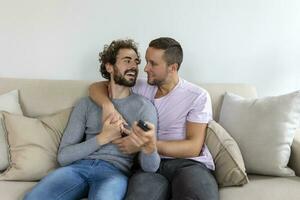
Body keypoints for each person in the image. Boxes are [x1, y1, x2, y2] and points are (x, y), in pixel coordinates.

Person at [24, 39, 160, 200]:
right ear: (109, 66)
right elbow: (64, 156)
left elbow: (151, 168)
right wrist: (103, 138)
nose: (134, 66)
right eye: (127, 61)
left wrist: (149, 146)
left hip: (114, 173)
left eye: (136, 62)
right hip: (76, 169)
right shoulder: (86, 104)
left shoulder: (144, 107)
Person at [89, 37, 219, 200]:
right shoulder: (141, 86)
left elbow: (193, 147)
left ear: (172, 68)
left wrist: (145, 144)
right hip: (148, 167)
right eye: (146, 62)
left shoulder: (197, 96)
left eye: (153, 64)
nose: (145, 68)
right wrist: (107, 106)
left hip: (188, 164)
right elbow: (96, 87)